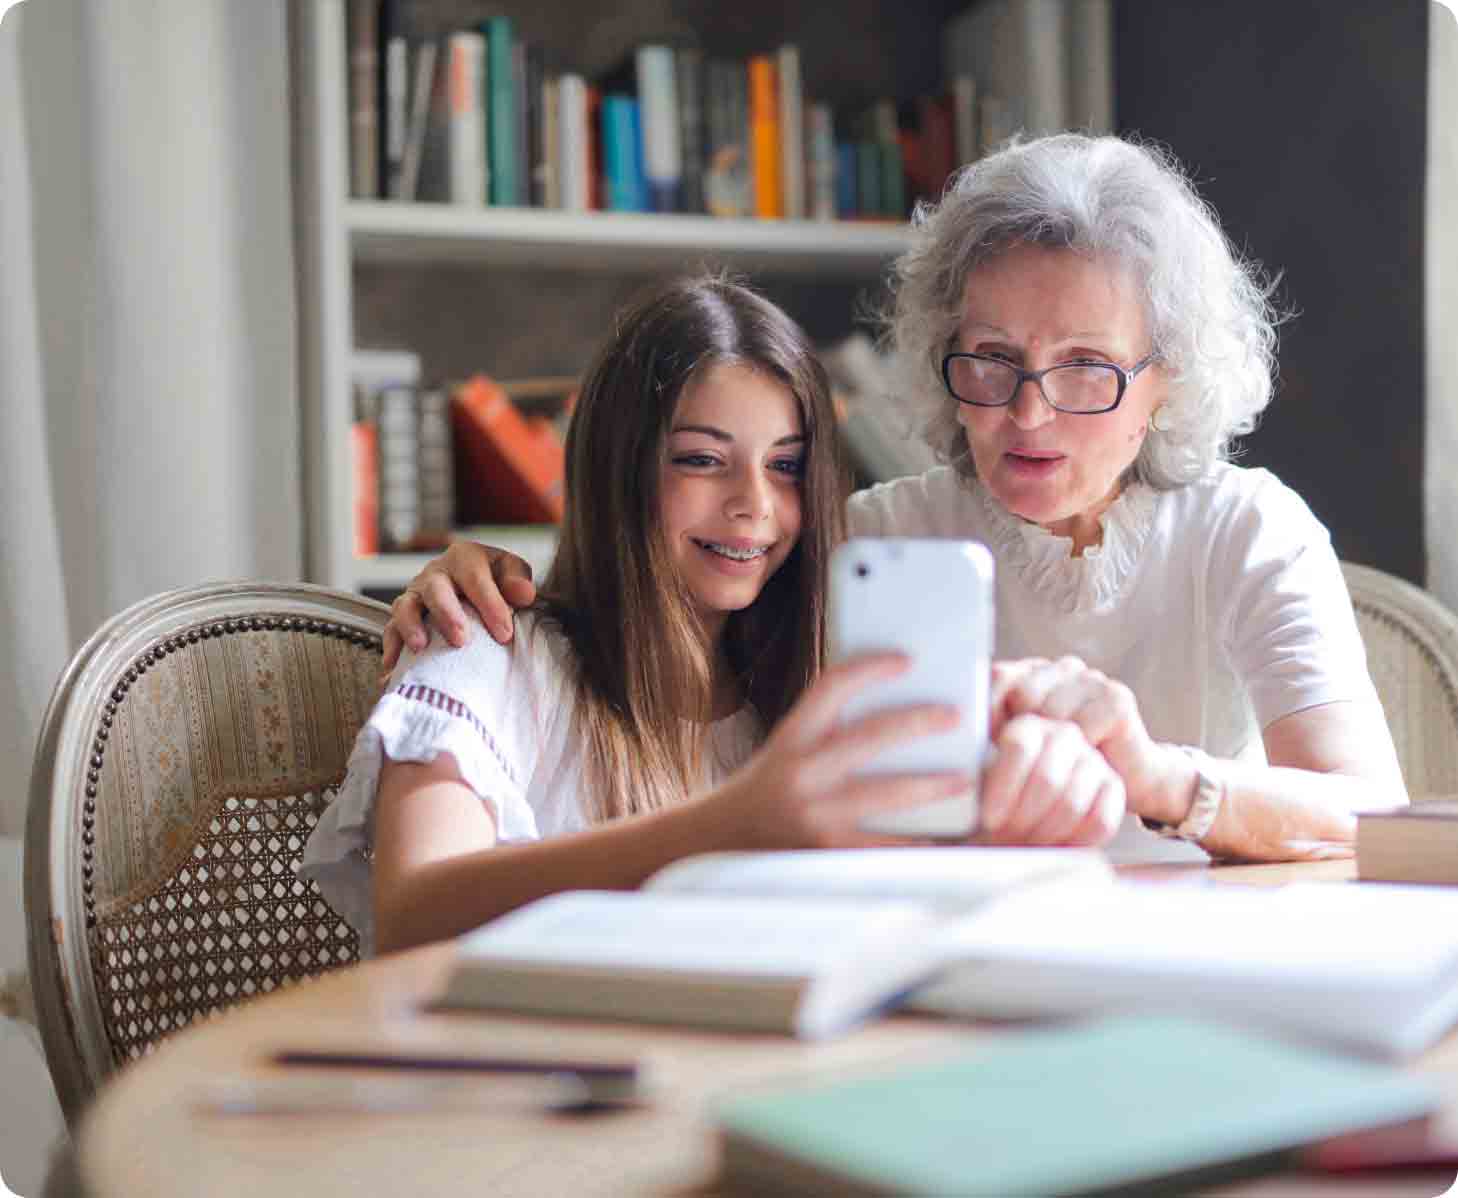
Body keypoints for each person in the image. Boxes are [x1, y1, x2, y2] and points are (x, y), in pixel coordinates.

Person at [387, 134, 1407, 865]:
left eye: (1087, 369)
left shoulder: (1247, 526)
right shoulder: (868, 540)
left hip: (1209, 972)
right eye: (992, 361)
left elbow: (1371, 815)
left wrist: (1156, 776)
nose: (1028, 415)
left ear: (1167, 380)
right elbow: (662, 619)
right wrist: (477, 577)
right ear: (940, 353)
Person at [302, 276, 1124, 955]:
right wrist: (735, 825)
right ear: (617, 469)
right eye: (702, 461)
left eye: (787, 467)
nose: (753, 508)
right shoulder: (483, 648)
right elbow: (412, 913)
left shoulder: (812, 690)